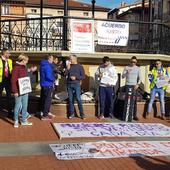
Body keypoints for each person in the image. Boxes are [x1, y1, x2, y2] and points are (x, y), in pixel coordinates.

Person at [11, 54, 33, 128]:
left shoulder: (24, 67)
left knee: (25, 105)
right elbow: (13, 81)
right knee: (17, 106)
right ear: (23, 60)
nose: (27, 62)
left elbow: (25, 77)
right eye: (26, 61)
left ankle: (24, 121)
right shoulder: (16, 67)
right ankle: (16, 121)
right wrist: (15, 91)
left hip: (25, 90)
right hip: (18, 90)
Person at [122, 56, 141, 121]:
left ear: (136, 62)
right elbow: (122, 76)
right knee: (128, 101)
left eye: (134, 62)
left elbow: (140, 78)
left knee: (134, 101)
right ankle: (127, 115)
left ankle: (134, 115)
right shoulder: (126, 67)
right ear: (130, 61)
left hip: (134, 86)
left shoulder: (138, 68)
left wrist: (137, 84)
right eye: (131, 62)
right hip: (128, 85)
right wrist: (127, 72)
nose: (133, 63)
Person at [66, 54, 85, 119]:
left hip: (76, 84)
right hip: (69, 84)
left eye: (70, 59)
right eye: (69, 59)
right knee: (71, 100)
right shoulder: (69, 66)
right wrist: (67, 68)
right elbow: (65, 75)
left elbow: (83, 76)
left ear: (75, 59)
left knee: (78, 99)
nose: (69, 60)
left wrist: (76, 77)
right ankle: (71, 114)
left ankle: (82, 114)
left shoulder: (80, 66)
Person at [40, 54, 55, 120]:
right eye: (52, 59)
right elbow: (49, 77)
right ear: (49, 59)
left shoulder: (42, 65)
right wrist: (54, 79)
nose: (53, 60)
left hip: (43, 84)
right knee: (47, 100)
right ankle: (45, 115)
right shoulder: (47, 66)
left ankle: (43, 112)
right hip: (48, 85)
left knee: (43, 99)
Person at [0, 48, 13, 117]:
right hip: (0, 80)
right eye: (8, 53)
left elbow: (11, 70)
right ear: (4, 53)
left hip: (8, 80)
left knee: (9, 96)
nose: (9, 54)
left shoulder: (10, 61)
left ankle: (10, 112)